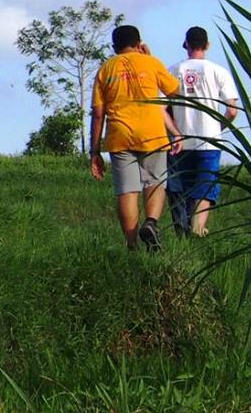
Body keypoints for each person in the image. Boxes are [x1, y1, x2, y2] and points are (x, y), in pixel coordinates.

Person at [88, 23, 184, 251]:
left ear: (114, 47)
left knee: (127, 190)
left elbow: (98, 114)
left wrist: (94, 152)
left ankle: (132, 246)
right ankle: (151, 223)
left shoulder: (105, 69)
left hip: (120, 136)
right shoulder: (151, 62)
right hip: (152, 134)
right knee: (155, 182)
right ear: (139, 43)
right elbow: (175, 91)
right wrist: (149, 59)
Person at [169, 25, 241, 236]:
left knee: (180, 186)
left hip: (180, 138)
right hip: (210, 139)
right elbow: (233, 110)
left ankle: (182, 231)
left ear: (186, 44)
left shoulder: (173, 70)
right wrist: (219, 127)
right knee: (205, 186)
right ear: (207, 45)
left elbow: (161, 106)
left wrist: (174, 131)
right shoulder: (219, 71)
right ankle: (198, 228)